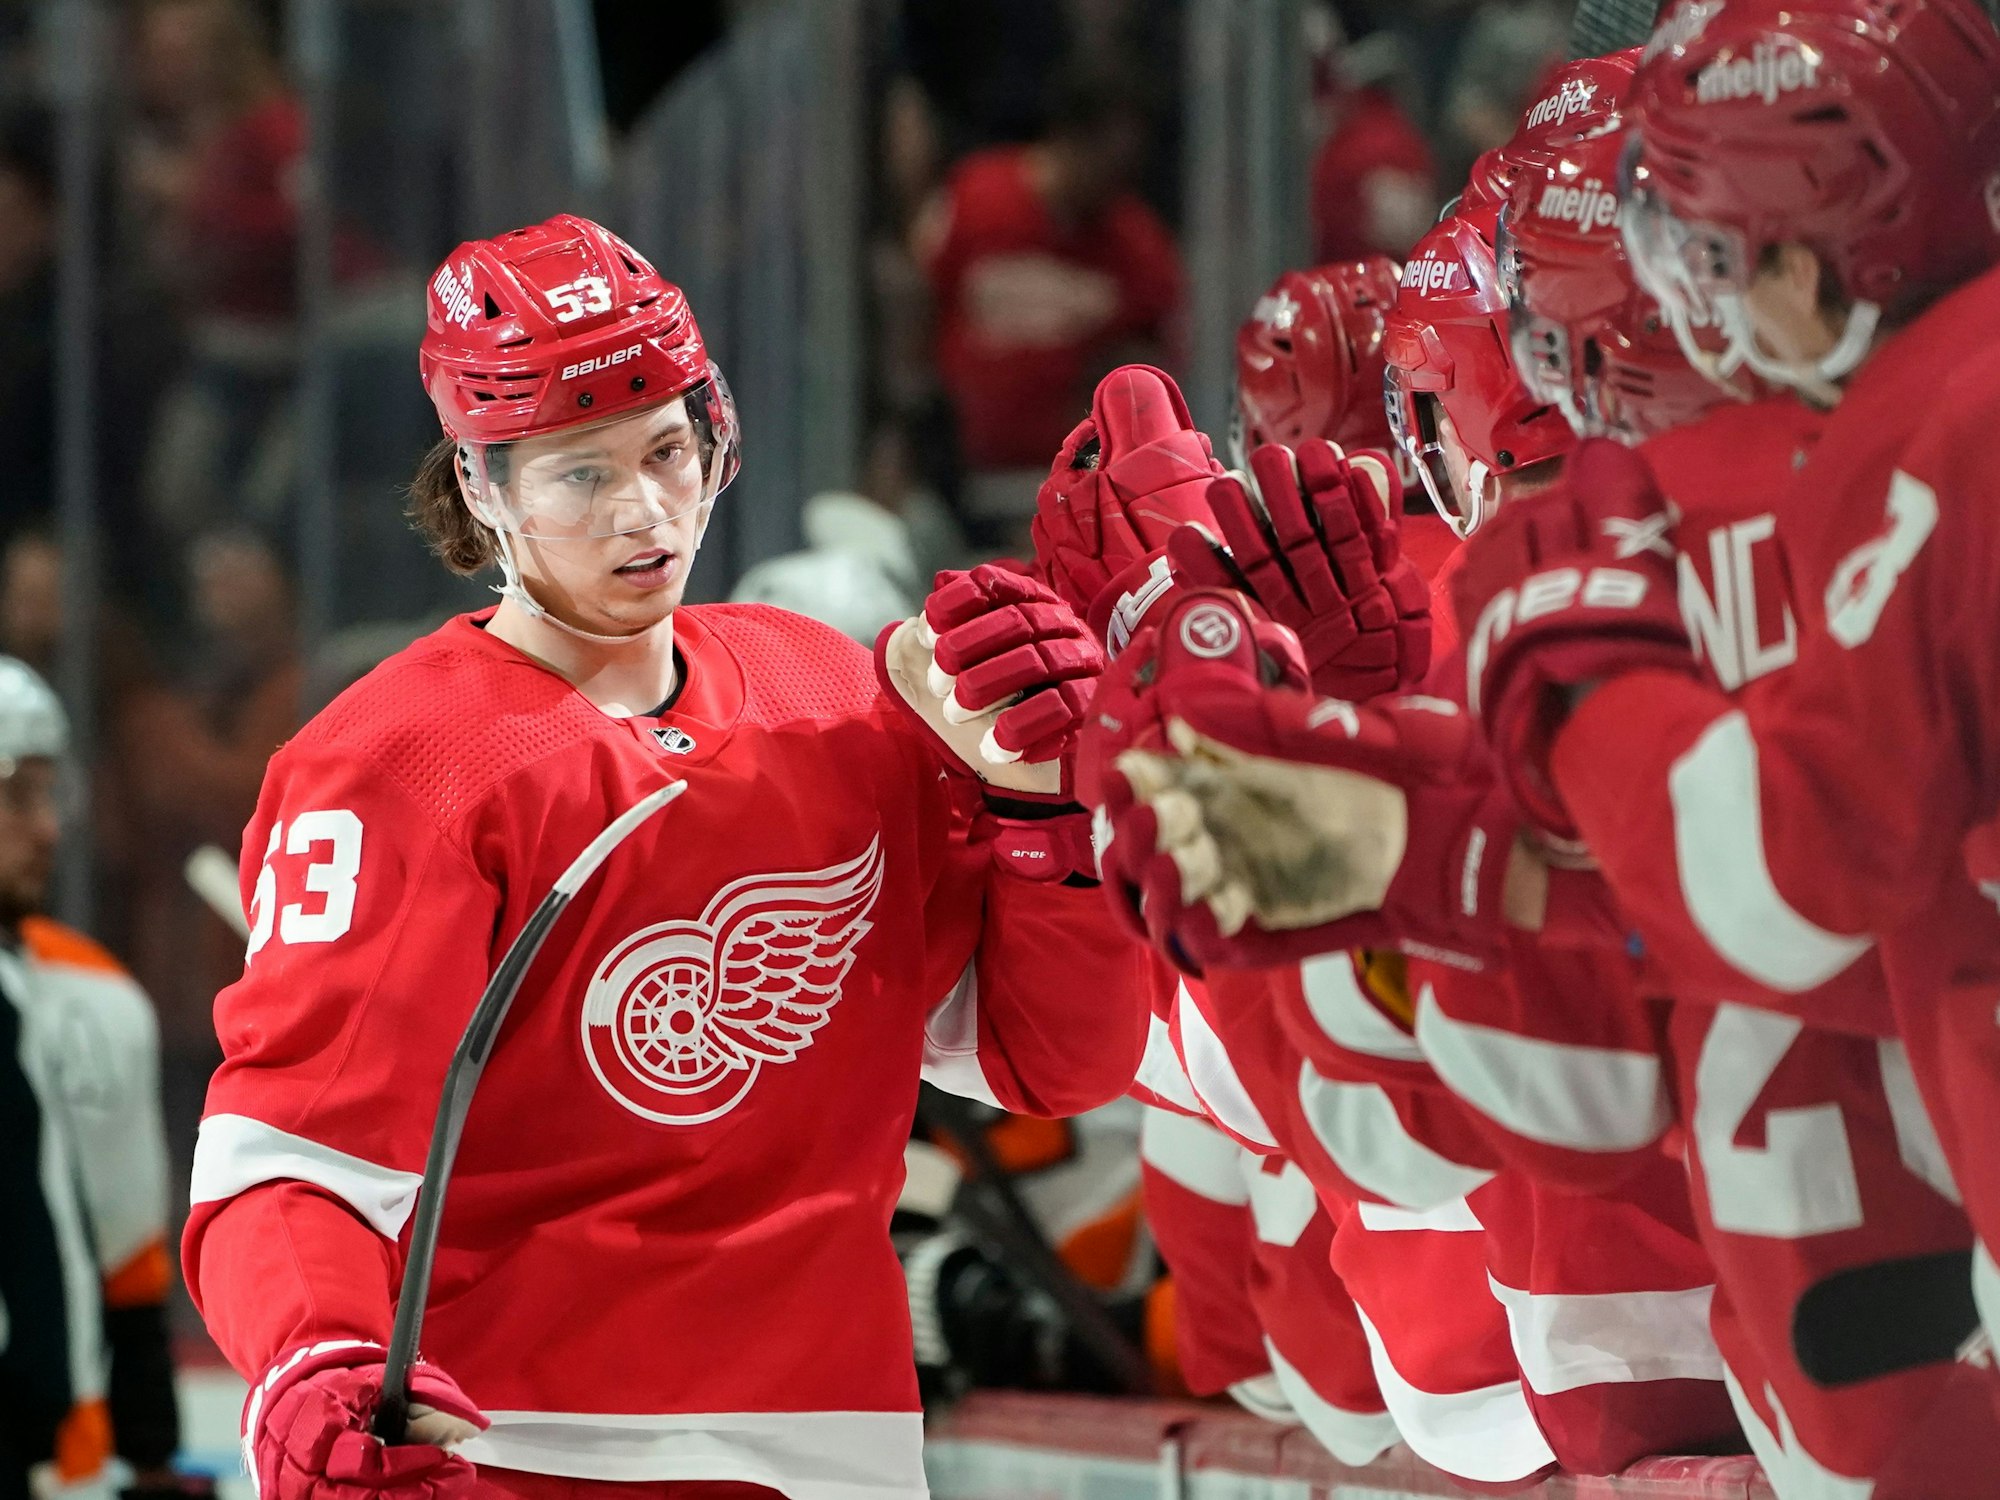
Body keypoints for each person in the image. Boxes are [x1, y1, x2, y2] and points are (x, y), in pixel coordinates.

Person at [183, 214, 1154, 1500]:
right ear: (480, 485)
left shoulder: (830, 696)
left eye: (665, 452)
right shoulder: (396, 766)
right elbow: (290, 1162)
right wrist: (315, 1360)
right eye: (579, 475)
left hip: (840, 1448)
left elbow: (1050, 1063)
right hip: (512, 1451)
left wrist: (1043, 815)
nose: (643, 511)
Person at [0, 658, 191, 1500]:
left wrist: (150, 1455)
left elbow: (127, 1251)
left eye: (51, 795)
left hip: (56, 1462)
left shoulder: (96, 996)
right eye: (17, 796)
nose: (48, 829)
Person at [919, 69, 1182, 542]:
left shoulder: (1138, 245)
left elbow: (1154, 371)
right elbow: (919, 306)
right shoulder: (976, 197)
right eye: (1108, 162)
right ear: (1068, 137)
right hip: (961, 484)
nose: (1114, 183)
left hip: (1077, 501)